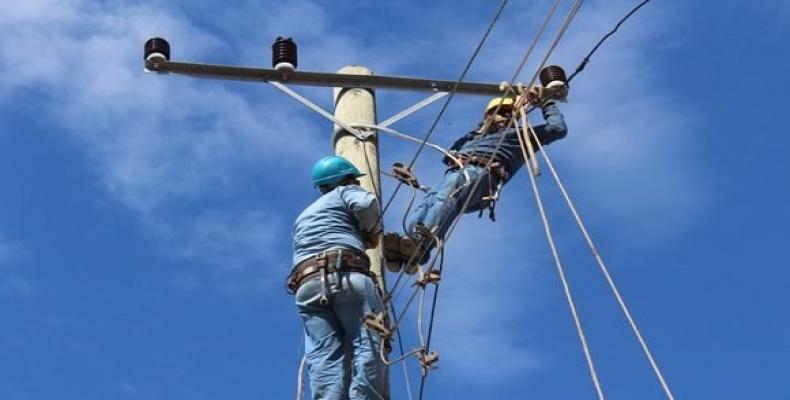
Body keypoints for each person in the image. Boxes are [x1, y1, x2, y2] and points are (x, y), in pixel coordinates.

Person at [384, 96, 568, 271]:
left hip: (482, 173)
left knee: (445, 199)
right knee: (428, 202)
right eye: (501, 112)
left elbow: (558, 129)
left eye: (511, 114)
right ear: (488, 115)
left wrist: (546, 103)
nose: (508, 116)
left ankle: (421, 244)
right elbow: (449, 154)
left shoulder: (520, 137)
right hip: (457, 171)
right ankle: (403, 250)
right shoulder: (473, 138)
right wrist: (479, 130)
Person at [288, 155, 388, 400]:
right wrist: (371, 230)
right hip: (347, 276)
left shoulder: (303, 216)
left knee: (323, 356)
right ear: (348, 179)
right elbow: (366, 206)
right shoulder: (346, 192)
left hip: (307, 285)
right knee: (369, 343)